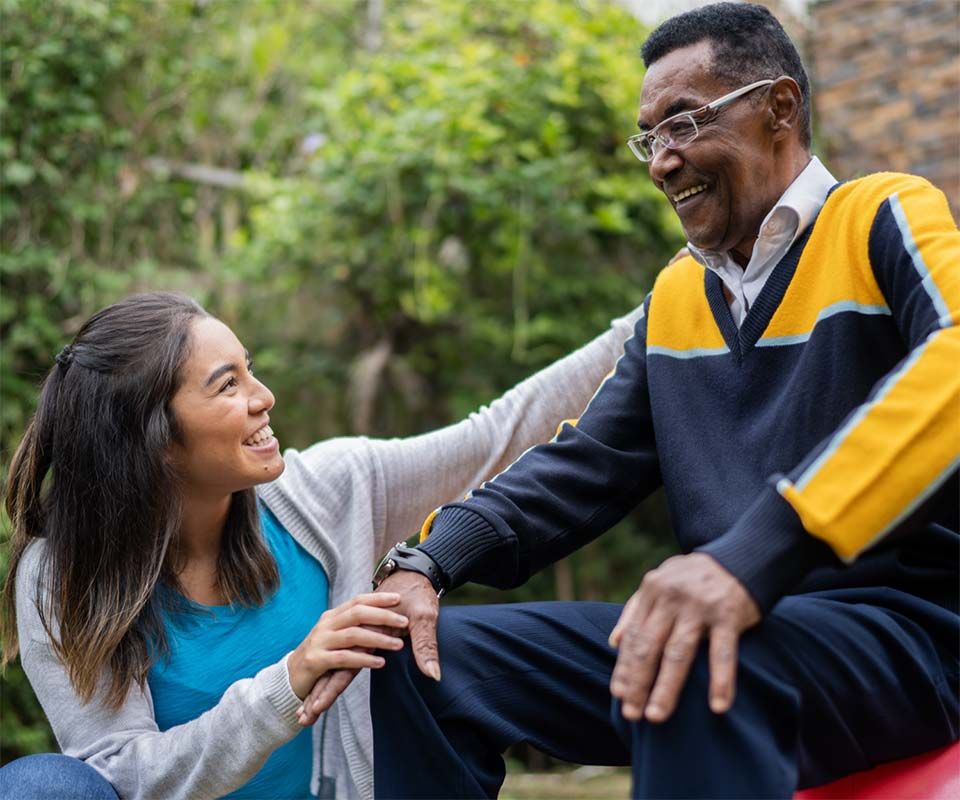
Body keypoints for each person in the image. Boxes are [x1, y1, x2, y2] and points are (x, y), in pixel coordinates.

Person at [367, 3, 960, 798]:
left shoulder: (882, 214)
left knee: (691, 645)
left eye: (683, 124)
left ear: (779, 107)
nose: (661, 162)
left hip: (909, 634)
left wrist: (749, 560)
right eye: (651, 138)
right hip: (739, 635)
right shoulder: (679, 295)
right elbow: (582, 464)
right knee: (416, 661)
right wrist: (428, 561)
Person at [0, 291, 643, 799]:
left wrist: (661, 314)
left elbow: (497, 436)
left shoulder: (326, 493)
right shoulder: (60, 576)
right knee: (40, 787)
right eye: (228, 385)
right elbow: (123, 780)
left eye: (251, 372)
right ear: (156, 441)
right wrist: (287, 682)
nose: (264, 398)